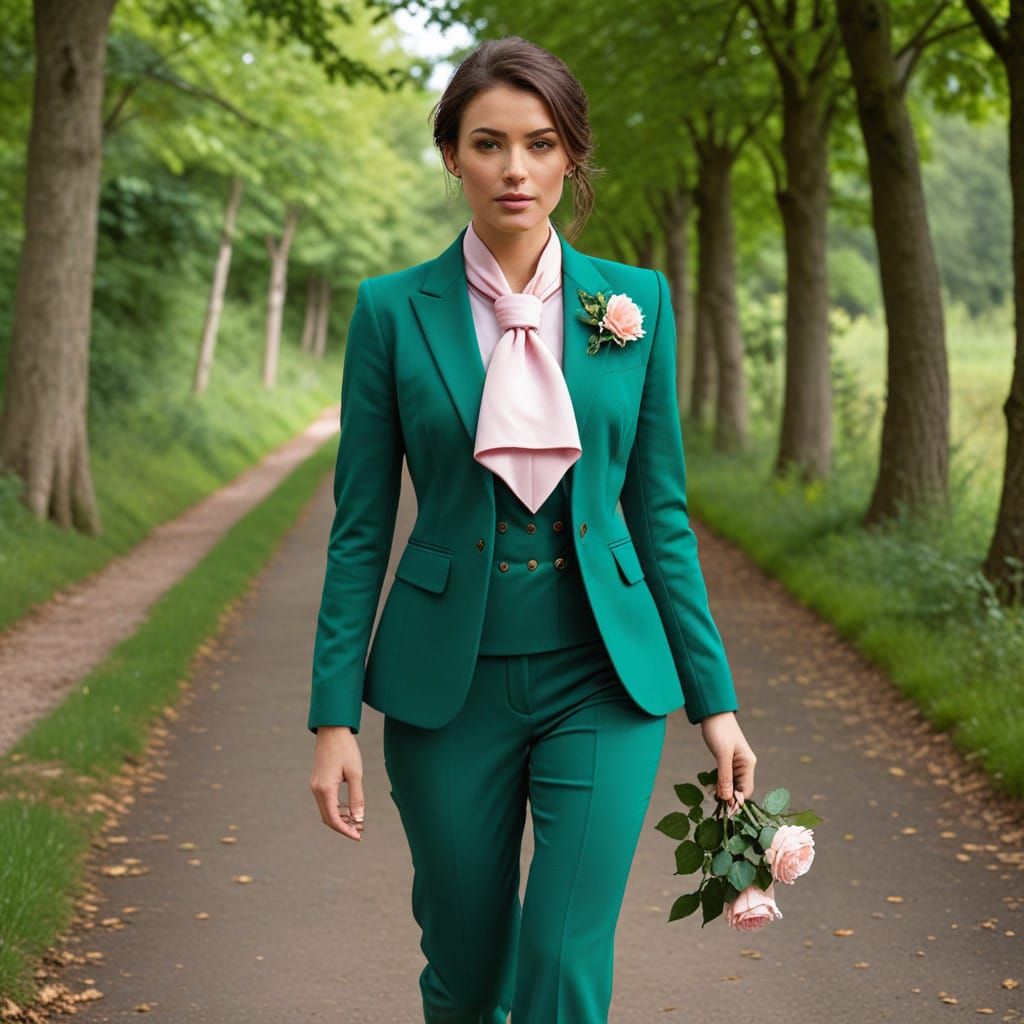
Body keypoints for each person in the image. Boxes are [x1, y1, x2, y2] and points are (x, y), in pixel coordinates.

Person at [308, 35, 757, 1023]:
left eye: (539, 144)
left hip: (602, 680)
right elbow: (359, 526)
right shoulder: (390, 313)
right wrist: (331, 715)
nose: (514, 168)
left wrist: (712, 700)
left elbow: (660, 514)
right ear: (452, 156)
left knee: (561, 954)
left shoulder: (630, 306)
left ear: (570, 158)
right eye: (487, 143)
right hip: (444, 688)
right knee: (469, 969)